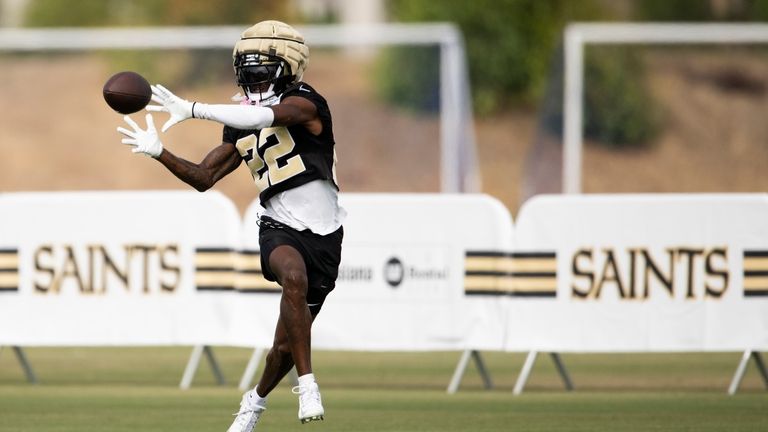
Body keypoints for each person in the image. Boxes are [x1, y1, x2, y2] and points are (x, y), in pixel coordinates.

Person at [116, 20, 345, 432]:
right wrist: (159, 153)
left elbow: (267, 115)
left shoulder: (307, 102)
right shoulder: (238, 118)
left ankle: (254, 401)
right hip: (278, 224)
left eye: (263, 66)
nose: (253, 74)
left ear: (288, 66)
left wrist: (194, 109)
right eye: (248, 67)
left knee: (282, 348)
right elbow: (205, 177)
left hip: (326, 235)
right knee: (292, 276)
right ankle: (308, 386)